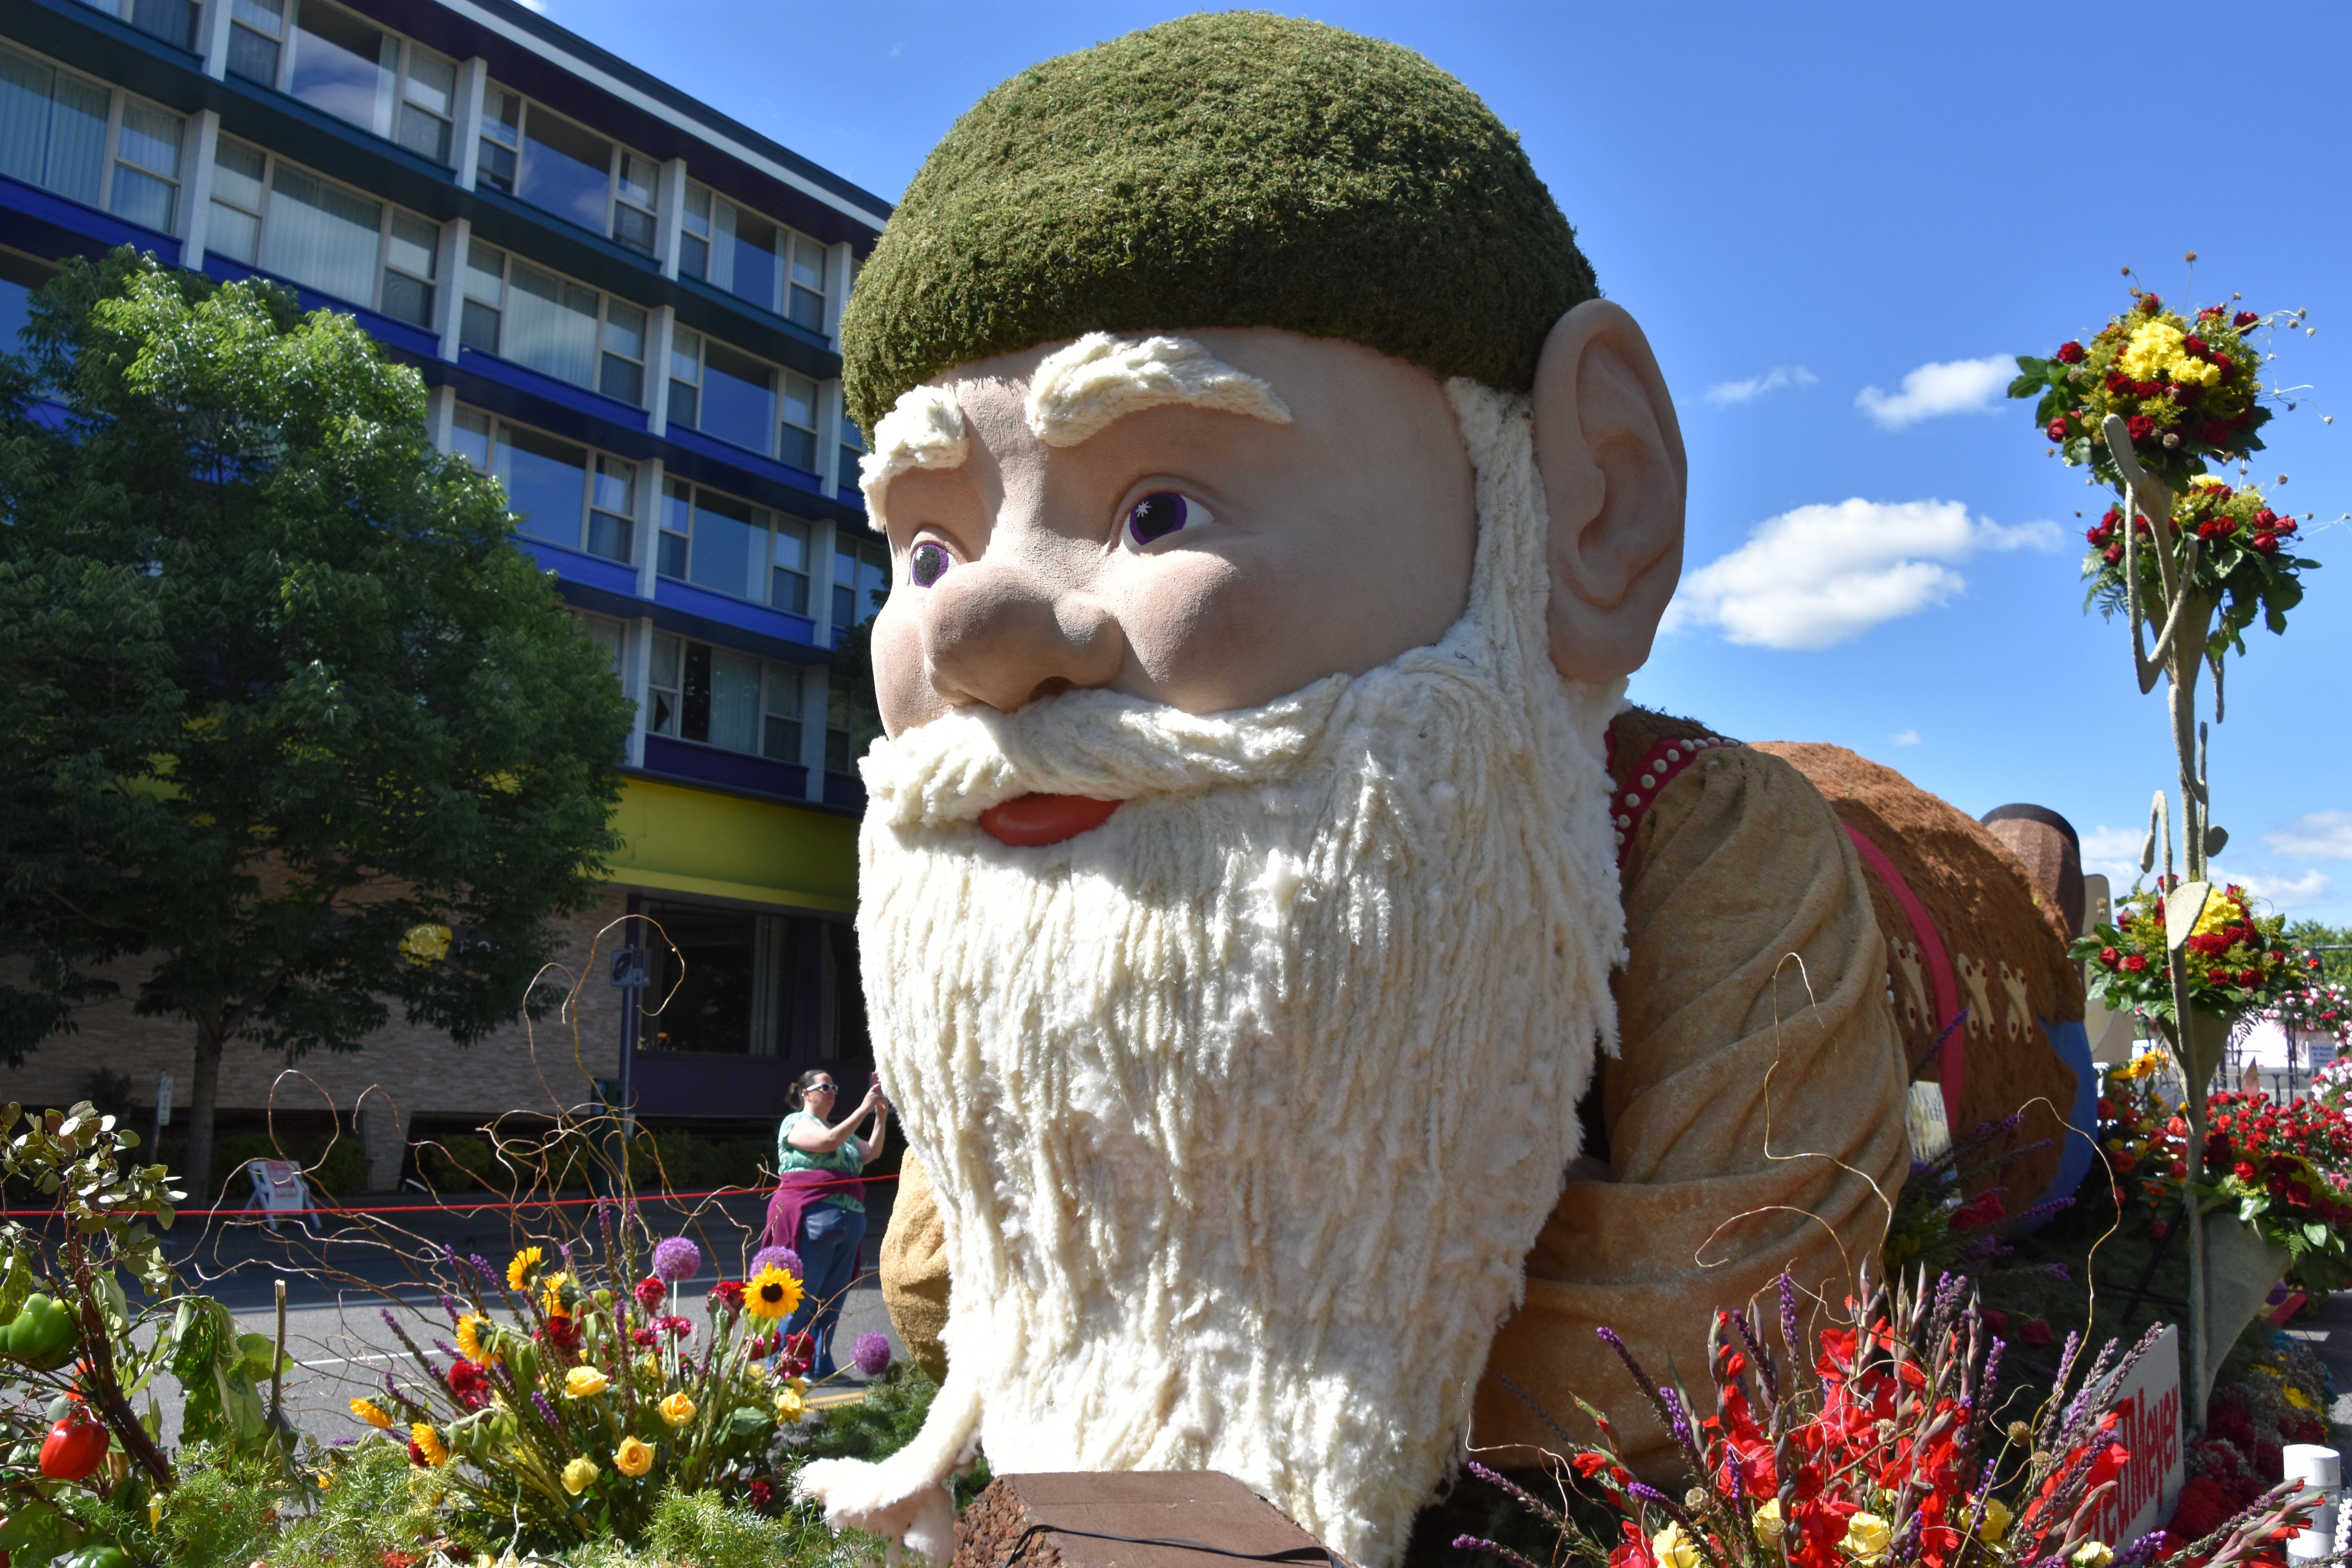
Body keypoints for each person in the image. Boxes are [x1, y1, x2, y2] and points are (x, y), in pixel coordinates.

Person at [796, 16, 2074, 1568]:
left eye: (1159, 507)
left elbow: (1726, 1325)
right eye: (925, 551)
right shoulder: (1039, 926)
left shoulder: (1698, 840)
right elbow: (946, 1288)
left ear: (1589, 501)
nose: (973, 634)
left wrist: (1190, 1378)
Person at [770, 1069, 888, 1379]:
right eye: (824, 1086)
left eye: (834, 1086)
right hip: (813, 1221)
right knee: (805, 1296)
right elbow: (826, 1142)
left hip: (847, 1224)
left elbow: (871, 1153)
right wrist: (863, 1109)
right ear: (806, 1093)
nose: (832, 1091)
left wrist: (880, 1117)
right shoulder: (795, 1123)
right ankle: (781, 1367)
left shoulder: (839, 1129)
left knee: (833, 1300)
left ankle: (820, 1363)